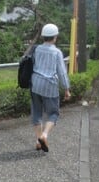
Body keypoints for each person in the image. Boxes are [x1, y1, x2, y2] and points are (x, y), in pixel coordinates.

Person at [30, 23, 71, 152]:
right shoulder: (56, 52)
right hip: (50, 86)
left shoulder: (36, 49)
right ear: (55, 37)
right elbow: (62, 72)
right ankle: (44, 136)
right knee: (53, 114)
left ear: (43, 36)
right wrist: (66, 88)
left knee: (36, 113)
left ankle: (38, 141)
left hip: (35, 84)